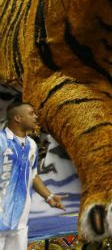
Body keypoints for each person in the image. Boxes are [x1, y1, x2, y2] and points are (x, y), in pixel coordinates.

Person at [1, 102, 65, 249]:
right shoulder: (1, 141)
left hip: (20, 222)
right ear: (18, 118)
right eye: (31, 113)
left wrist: (49, 196)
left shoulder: (31, 145)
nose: (36, 117)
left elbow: (33, 175)